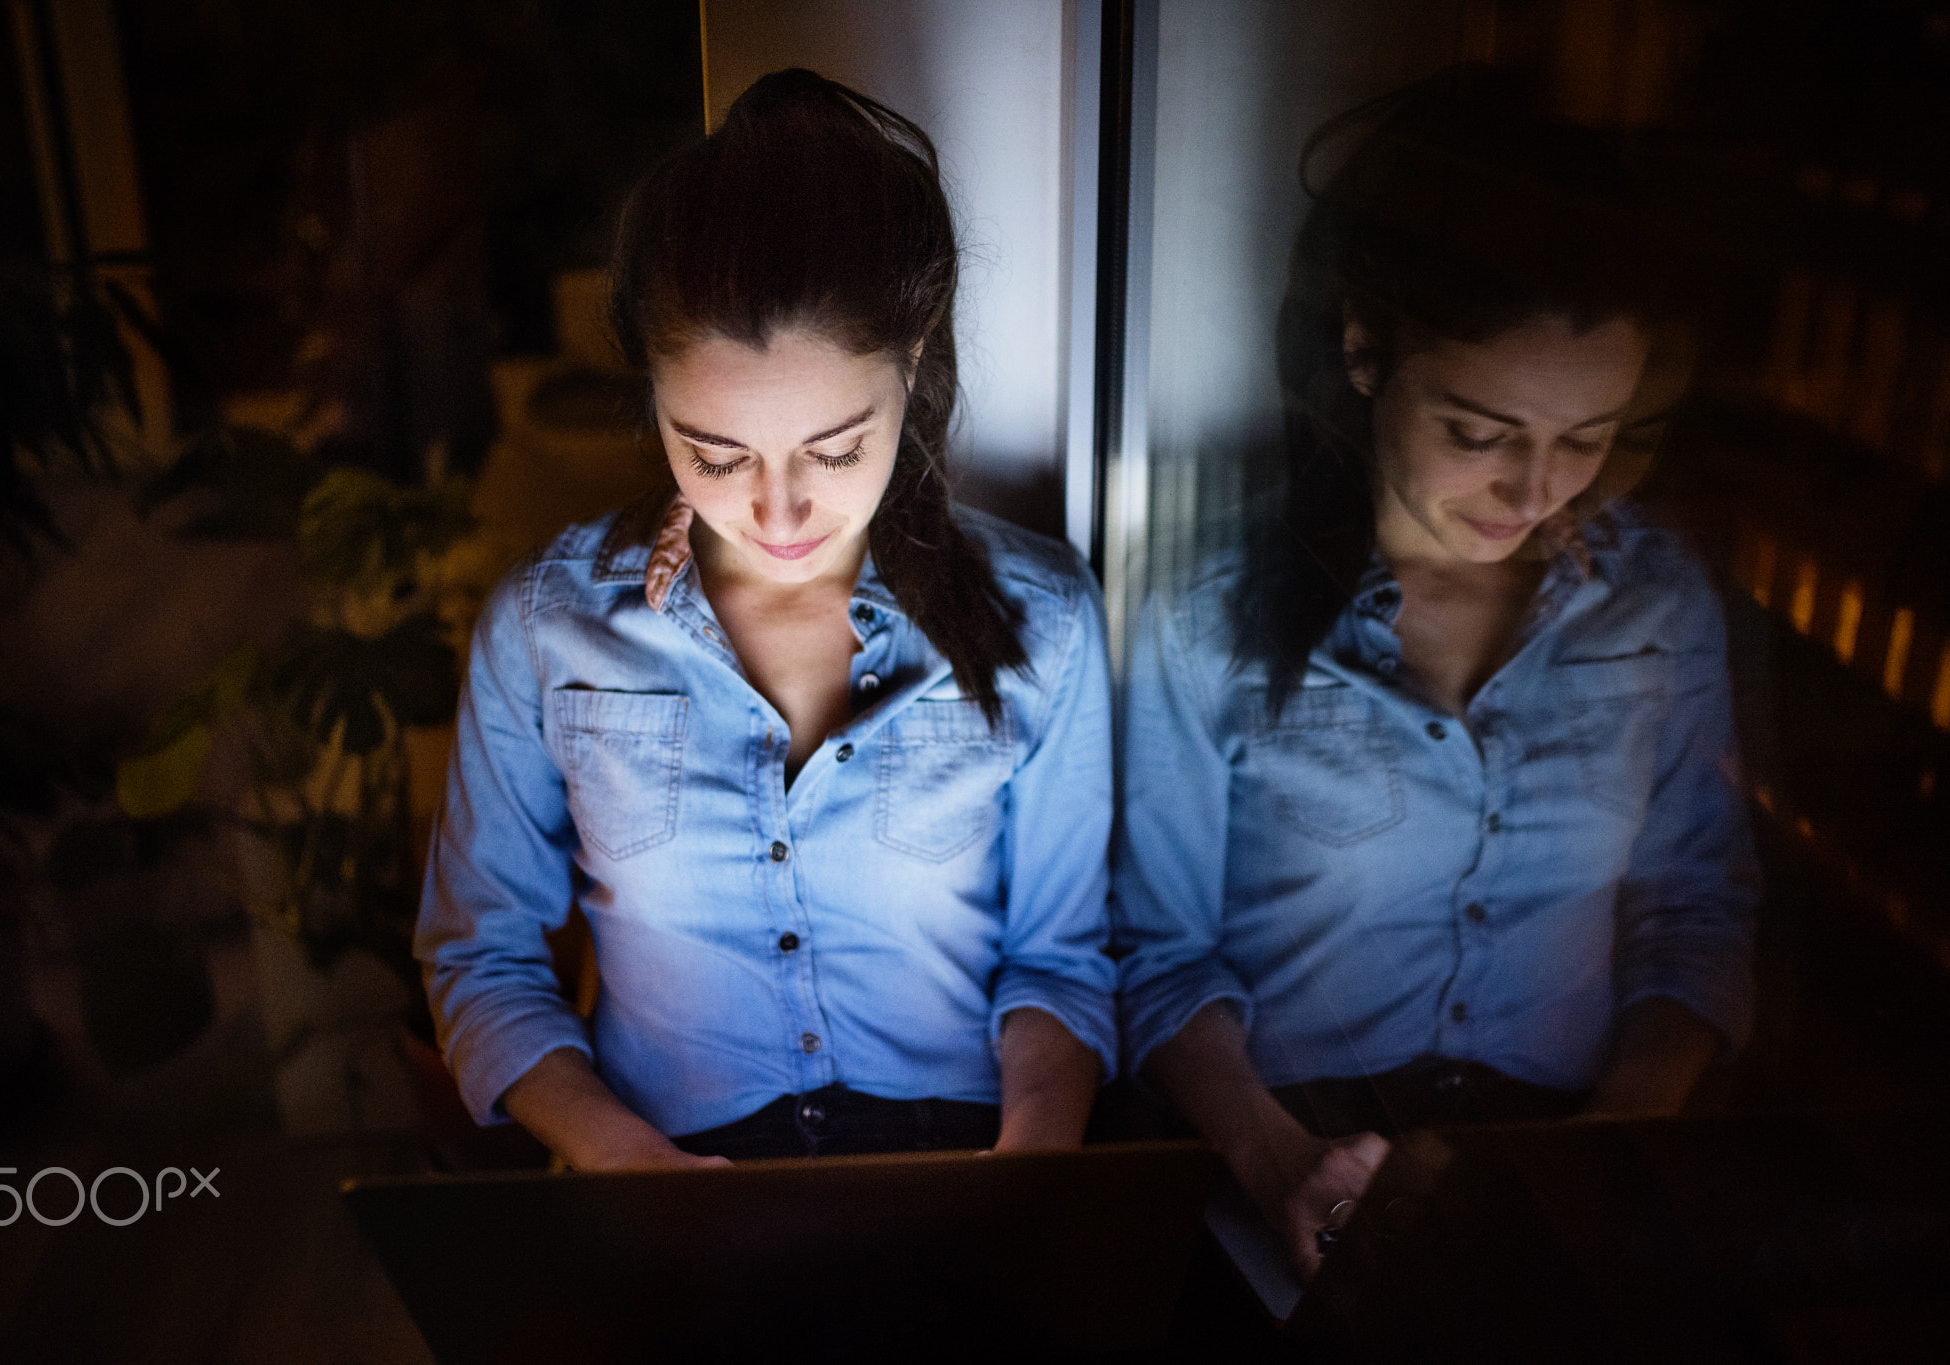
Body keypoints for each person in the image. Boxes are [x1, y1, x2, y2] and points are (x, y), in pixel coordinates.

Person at [1112, 70, 1759, 1282]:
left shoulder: (1656, 602)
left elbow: (1693, 908)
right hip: (1285, 1160)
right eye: (1478, 433)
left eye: (1586, 441)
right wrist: (1273, 1161)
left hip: (1567, 1177)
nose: (1534, 492)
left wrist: (1614, 1140)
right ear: (1362, 350)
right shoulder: (1206, 614)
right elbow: (1153, 949)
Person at [415, 70, 1116, 1169]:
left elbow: (1059, 962)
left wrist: (1024, 1174)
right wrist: (621, 1158)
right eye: (714, 453)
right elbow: (481, 959)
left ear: (915, 357)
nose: (778, 511)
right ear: (650, 394)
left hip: (959, 1166)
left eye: (834, 450)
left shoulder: (1045, 623)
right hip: (667, 1175)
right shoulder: (549, 631)